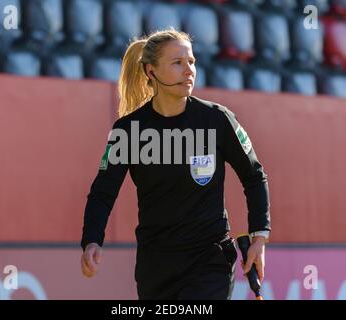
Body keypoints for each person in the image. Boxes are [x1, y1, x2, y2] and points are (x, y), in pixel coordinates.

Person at [80, 28, 271, 300]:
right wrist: (91, 240)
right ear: (151, 71)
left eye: (191, 61)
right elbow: (103, 192)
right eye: (178, 62)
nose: (189, 70)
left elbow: (254, 176)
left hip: (209, 262)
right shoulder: (128, 130)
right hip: (155, 266)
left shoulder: (217, 120)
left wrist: (259, 239)